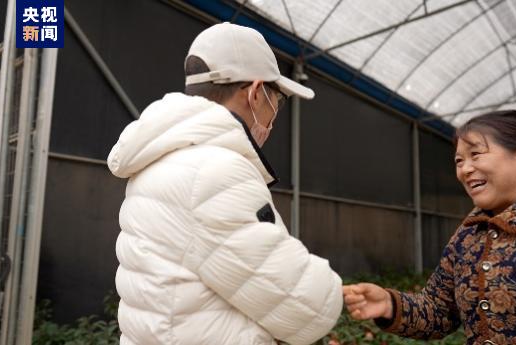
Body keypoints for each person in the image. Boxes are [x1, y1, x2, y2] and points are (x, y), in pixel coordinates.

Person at [107, 22, 342, 345]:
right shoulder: (215, 173)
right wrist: (332, 287)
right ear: (256, 92)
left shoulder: (158, 159)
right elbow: (308, 308)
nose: (274, 116)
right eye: (277, 100)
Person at [343, 110, 516, 345]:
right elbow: (438, 310)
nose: (464, 170)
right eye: (459, 161)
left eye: (476, 155)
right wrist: (388, 305)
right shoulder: (469, 233)